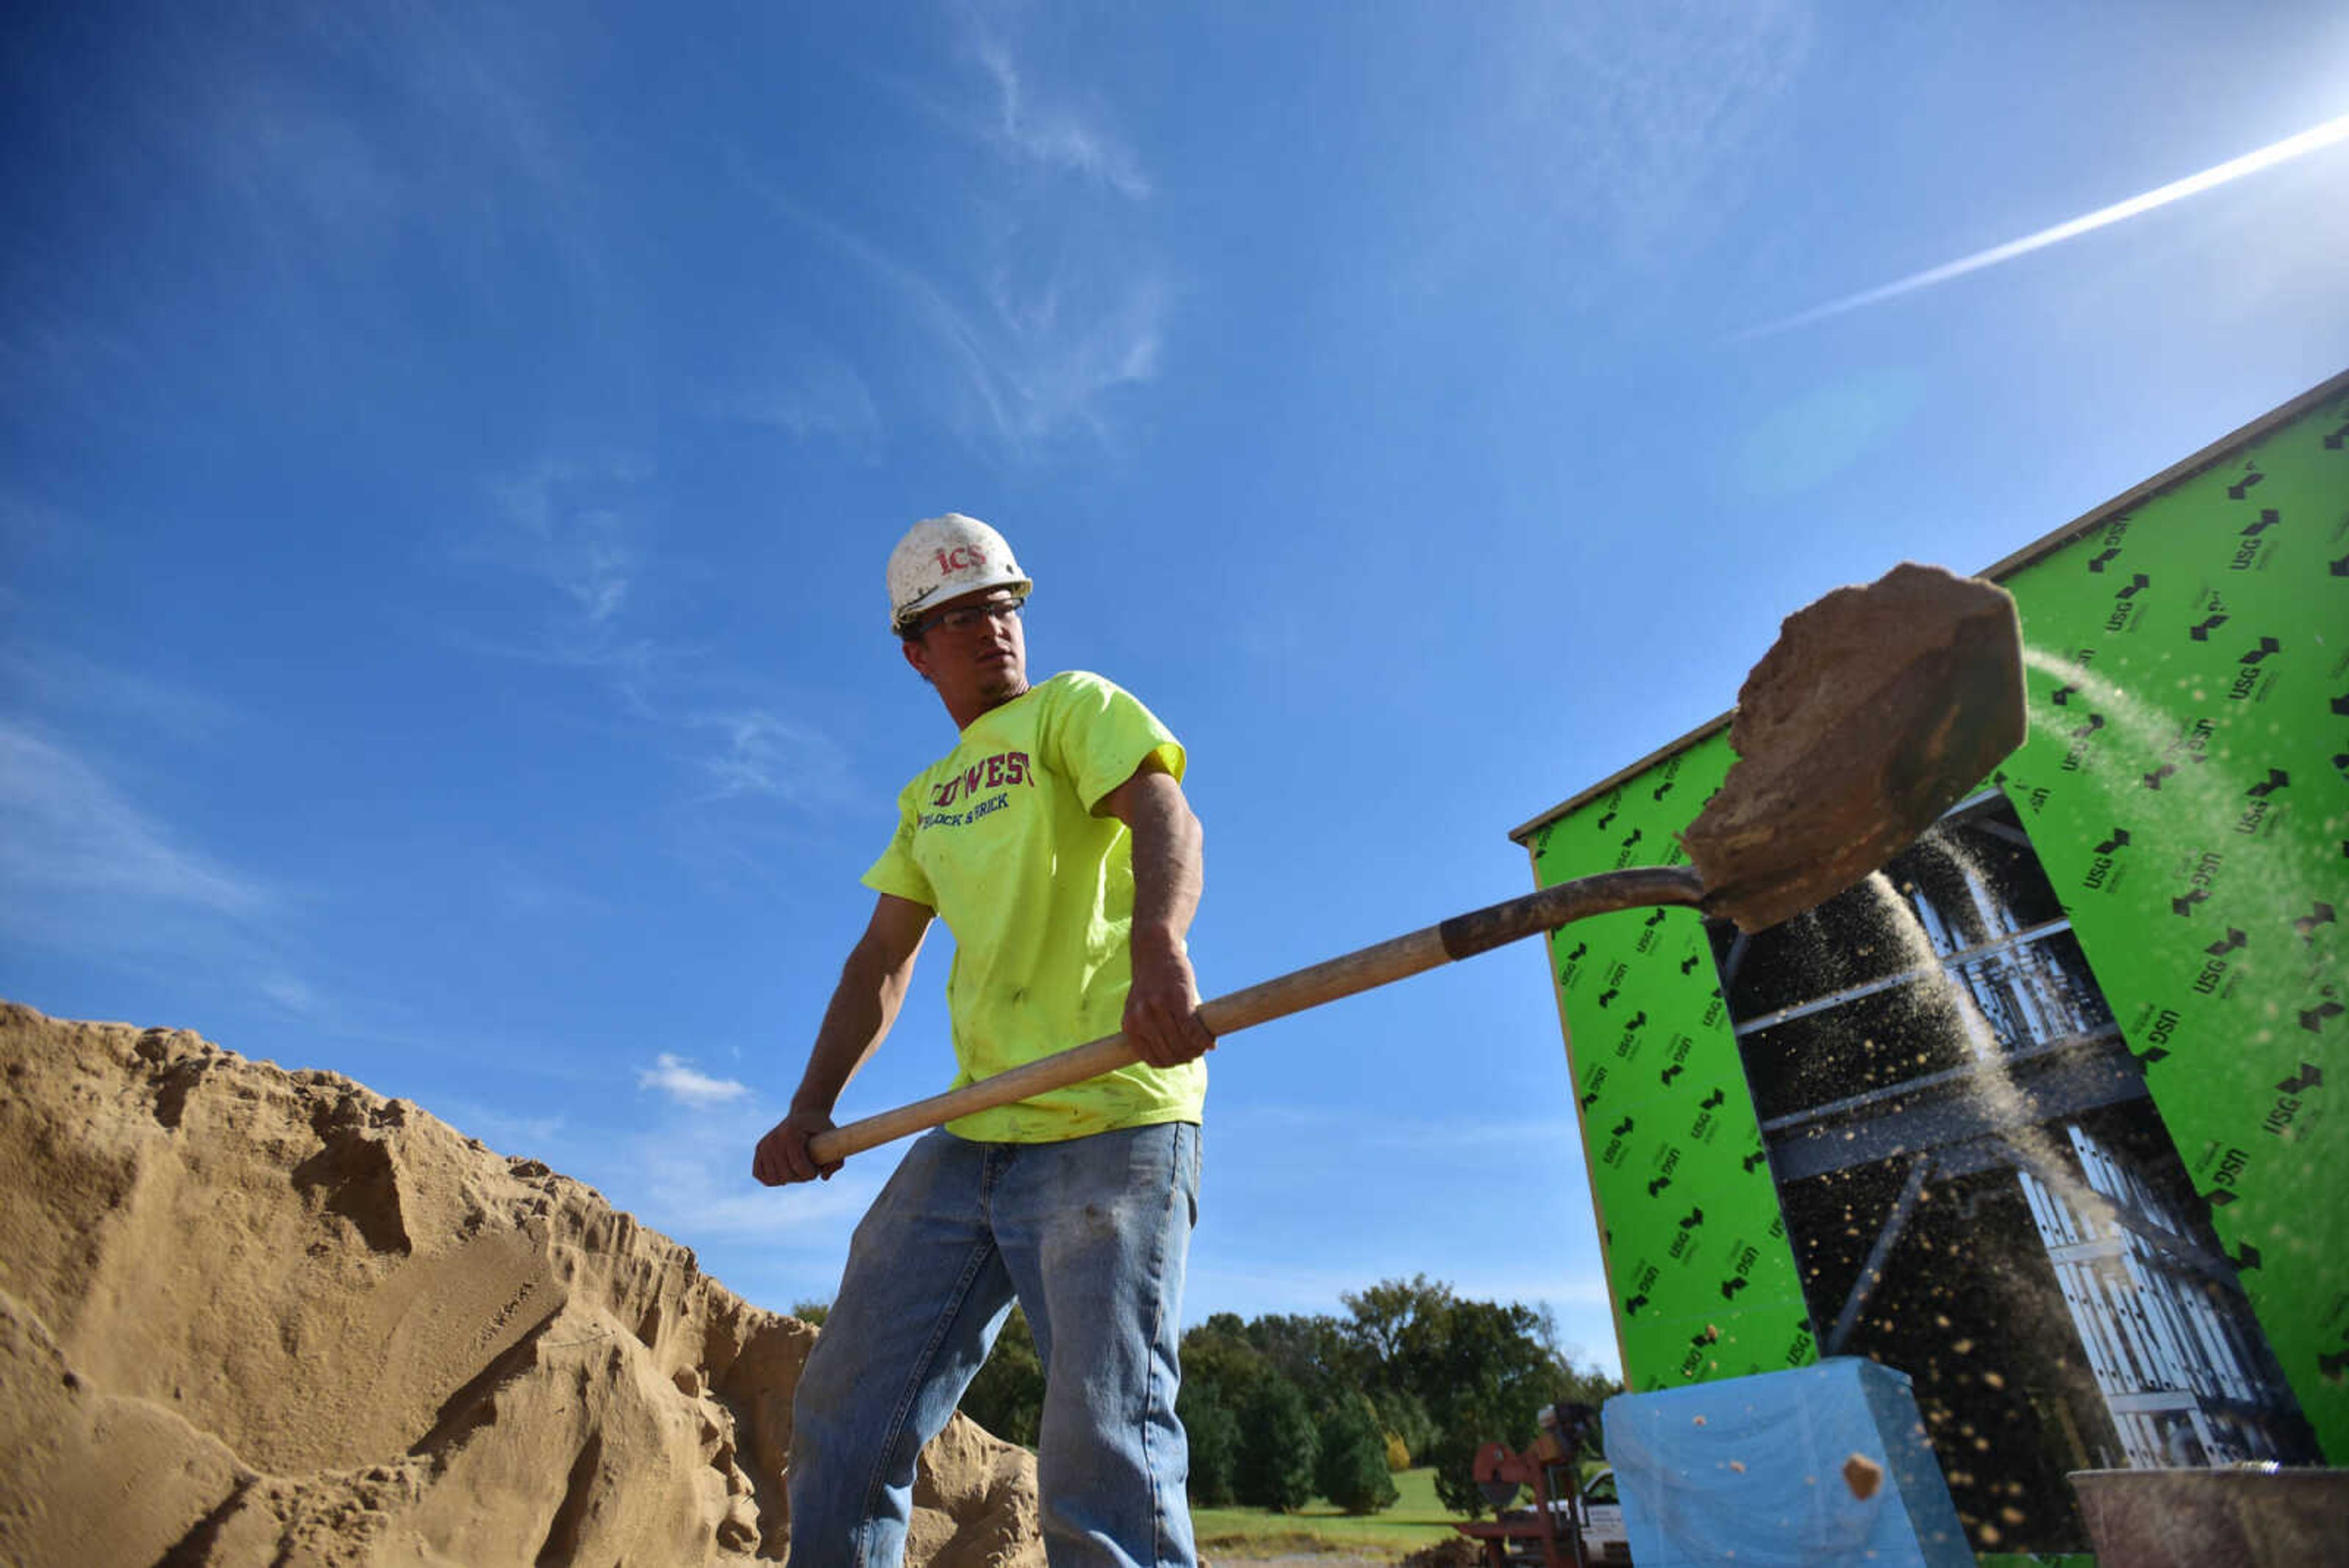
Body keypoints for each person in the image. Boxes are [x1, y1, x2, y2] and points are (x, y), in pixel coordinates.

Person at [753, 513, 1216, 1567]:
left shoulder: (1074, 708)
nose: (991, 629)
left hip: (1113, 1109)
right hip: (976, 1128)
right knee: (845, 1411)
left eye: (1002, 605)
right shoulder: (925, 799)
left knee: (1103, 1441)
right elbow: (880, 960)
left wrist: (1158, 945)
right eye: (958, 617)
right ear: (916, 651)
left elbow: (1163, 812)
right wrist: (810, 1108)